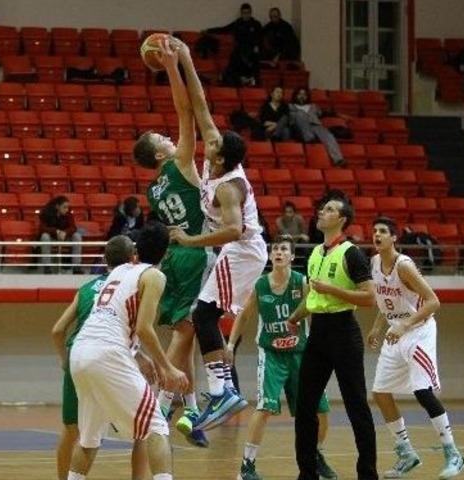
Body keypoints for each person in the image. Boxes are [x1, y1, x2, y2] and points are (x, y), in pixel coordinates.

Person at [168, 38, 269, 432]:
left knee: (203, 315)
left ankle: (223, 391)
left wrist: (190, 241)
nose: (208, 140)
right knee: (203, 315)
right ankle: (223, 389)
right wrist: (184, 61)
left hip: (244, 250)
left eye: (212, 144)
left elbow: (233, 229)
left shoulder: (229, 186)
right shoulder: (218, 153)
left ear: (221, 158)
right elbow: (199, 104)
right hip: (236, 252)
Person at [132, 37, 210, 448]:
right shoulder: (180, 163)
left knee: (185, 330)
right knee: (189, 332)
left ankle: (192, 408)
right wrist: (174, 66)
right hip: (197, 251)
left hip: (173, 257)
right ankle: (163, 404)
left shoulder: (152, 192)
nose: (168, 135)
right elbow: (186, 111)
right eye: (162, 137)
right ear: (161, 152)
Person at [68, 222, 189, 480]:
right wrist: (167, 367)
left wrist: (139, 355)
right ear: (166, 253)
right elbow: (145, 328)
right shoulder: (154, 276)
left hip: (81, 350)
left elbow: (115, 318)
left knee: (88, 440)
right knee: (156, 425)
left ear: (136, 249)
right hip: (107, 353)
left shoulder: (120, 270)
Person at [226, 235, 337, 480]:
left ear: (291, 256)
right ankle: (247, 466)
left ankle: (316, 455)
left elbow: (318, 310)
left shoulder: (302, 282)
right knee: (264, 407)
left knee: (321, 410)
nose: (278, 252)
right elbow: (243, 317)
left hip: (301, 354)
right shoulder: (260, 285)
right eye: (274, 248)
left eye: (283, 249)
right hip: (272, 354)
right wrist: (231, 344)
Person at [285, 196, 378, 480]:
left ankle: (367, 474)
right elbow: (314, 297)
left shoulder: (352, 253)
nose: (321, 213)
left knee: (356, 405)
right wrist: (295, 317)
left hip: (344, 332)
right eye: (322, 209)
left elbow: (369, 298)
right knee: (304, 406)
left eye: (329, 210)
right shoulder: (314, 254)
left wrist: (332, 290)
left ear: (342, 219)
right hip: (319, 333)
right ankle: (307, 473)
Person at [367, 217, 464, 479]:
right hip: (395, 331)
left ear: (394, 238)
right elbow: (384, 301)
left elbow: (434, 302)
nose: (377, 235)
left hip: (419, 330)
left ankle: (453, 452)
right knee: (380, 393)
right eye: (375, 231)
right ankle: (406, 452)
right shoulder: (375, 263)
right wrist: (378, 327)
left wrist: (405, 324)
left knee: (422, 391)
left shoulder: (404, 266)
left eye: (383, 232)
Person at [50, 235, 148, 480]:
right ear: (133, 258)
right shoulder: (133, 283)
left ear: (105, 260)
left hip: (78, 355)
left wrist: (64, 359)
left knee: (72, 430)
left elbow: (58, 330)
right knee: (145, 428)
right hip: (110, 356)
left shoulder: (86, 288)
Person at [206, 3, 263, 86]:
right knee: (233, 62)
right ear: (241, 13)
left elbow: (260, 38)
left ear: (250, 13)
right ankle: (234, 80)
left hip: (252, 50)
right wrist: (209, 30)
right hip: (239, 50)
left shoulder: (256, 24)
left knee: (255, 59)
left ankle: (254, 81)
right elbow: (225, 29)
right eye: (244, 13)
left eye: (247, 13)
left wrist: (257, 46)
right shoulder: (238, 23)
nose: (246, 15)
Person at [289, 87, 344, 166]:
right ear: (295, 96)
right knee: (300, 114)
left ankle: (338, 159)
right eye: (299, 94)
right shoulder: (290, 106)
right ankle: (309, 138)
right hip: (300, 128)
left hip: (316, 126)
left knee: (328, 136)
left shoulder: (313, 106)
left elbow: (324, 113)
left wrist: (339, 115)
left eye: (304, 94)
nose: (302, 96)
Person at [39, 195, 83, 273]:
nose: (66, 209)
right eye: (64, 207)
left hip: (65, 237)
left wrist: (65, 232)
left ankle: (76, 266)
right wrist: (56, 231)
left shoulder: (69, 214)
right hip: (52, 237)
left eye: (67, 207)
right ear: (57, 207)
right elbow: (42, 228)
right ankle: (47, 267)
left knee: (77, 236)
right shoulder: (46, 214)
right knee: (44, 236)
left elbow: (73, 228)